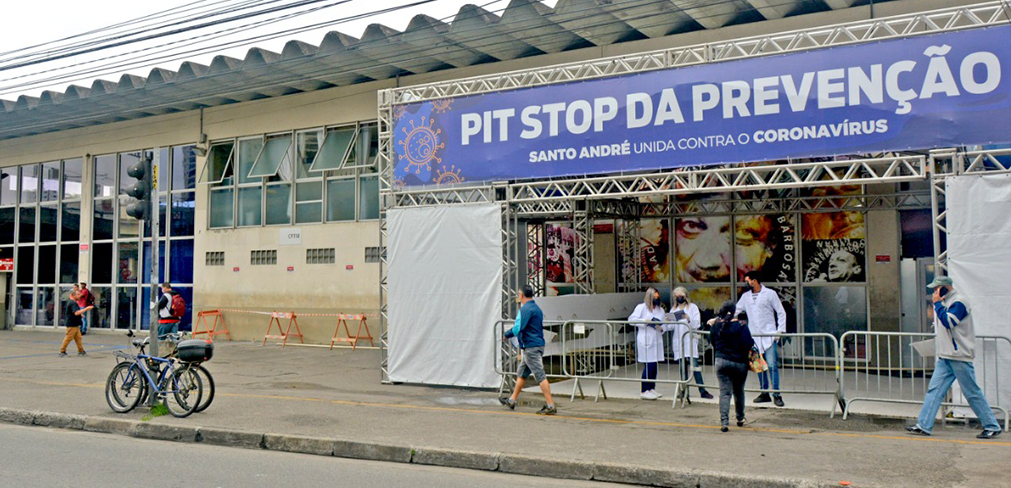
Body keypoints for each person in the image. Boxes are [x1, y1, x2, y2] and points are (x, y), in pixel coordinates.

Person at [906, 276, 1002, 439]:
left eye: (937, 288)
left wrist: (937, 304)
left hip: (959, 355)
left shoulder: (959, 302)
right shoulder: (948, 302)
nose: (934, 292)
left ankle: (992, 425)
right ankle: (923, 425)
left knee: (971, 392)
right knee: (934, 390)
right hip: (947, 355)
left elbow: (949, 322)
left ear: (945, 287)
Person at [500, 285, 556, 415]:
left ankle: (550, 405)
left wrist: (506, 335)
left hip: (531, 347)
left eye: (519, 294)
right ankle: (512, 400)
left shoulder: (525, 309)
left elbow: (518, 327)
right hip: (536, 344)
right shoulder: (536, 308)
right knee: (522, 373)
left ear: (521, 295)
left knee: (540, 375)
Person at [736, 271, 787, 407]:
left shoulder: (770, 294)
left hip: (769, 335)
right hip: (754, 337)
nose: (746, 283)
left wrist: (779, 331)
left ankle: (776, 394)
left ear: (755, 281)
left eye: (748, 281)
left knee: (771, 365)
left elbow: (781, 312)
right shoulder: (745, 297)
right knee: (759, 366)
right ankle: (764, 392)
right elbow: (736, 310)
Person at [709, 301, 755, 432]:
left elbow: (713, 342)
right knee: (739, 391)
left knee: (724, 393)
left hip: (721, 361)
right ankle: (740, 418)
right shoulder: (741, 326)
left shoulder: (716, 326)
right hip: (739, 362)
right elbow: (748, 343)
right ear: (735, 312)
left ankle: (724, 421)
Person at [669, 287, 712, 400]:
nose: (678, 297)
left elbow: (697, 323)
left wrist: (688, 318)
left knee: (694, 366)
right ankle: (684, 391)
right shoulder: (674, 309)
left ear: (685, 295)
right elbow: (670, 326)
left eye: (680, 295)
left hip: (690, 340)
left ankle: (702, 390)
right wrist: (667, 321)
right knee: (682, 368)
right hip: (679, 341)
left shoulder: (693, 308)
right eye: (676, 295)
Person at [628, 287, 667, 400]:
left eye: (657, 296)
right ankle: (644, 390)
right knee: (649, 365)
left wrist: (661, 328)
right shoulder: (641, 308)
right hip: (645, 339)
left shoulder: (660, 310)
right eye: (654, 296)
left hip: (656, 339)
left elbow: (664, 324)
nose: (656, 298)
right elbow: (631, 320)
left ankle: (651, 388)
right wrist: (645, 321)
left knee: (654, 366)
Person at [59, 291, 87, 357]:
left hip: (75, 324)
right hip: (72, 324)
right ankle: (62, 351)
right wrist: (86, 309)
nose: (80, 296)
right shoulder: (73, 303)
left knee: (78, 338)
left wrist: (81, 314)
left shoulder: (71, 302)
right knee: (68, 337)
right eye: (78, 294)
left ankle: (81, 351)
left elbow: (74, 312)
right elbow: (76, 313)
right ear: (73, 295)